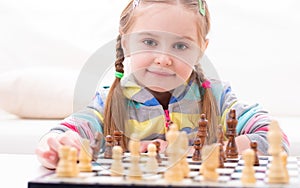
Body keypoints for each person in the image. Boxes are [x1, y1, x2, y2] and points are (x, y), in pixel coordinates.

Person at [36, 0, 289, 169]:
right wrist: (56, 146)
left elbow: (275, 138)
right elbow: (64, 133)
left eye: (181, 46)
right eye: (149, 42)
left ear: (201, 50)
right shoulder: (109, 103)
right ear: (126, 44)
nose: (164, 59)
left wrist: (201, 152)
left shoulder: (218, 98)